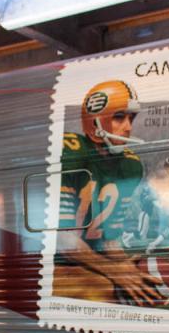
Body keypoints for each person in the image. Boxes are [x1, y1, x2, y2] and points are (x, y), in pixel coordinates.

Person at [55, 80, 163, 305]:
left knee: (147, 281)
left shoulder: (129, 165)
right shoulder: (70, 152)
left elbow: (108, 238)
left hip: (90, 259)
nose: (128, 127)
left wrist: (122, 263)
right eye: (119, 117)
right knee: (103, 290)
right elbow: (63, 240)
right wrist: (113, 271)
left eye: (131, 118)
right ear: (96, 121)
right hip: (56, 261)